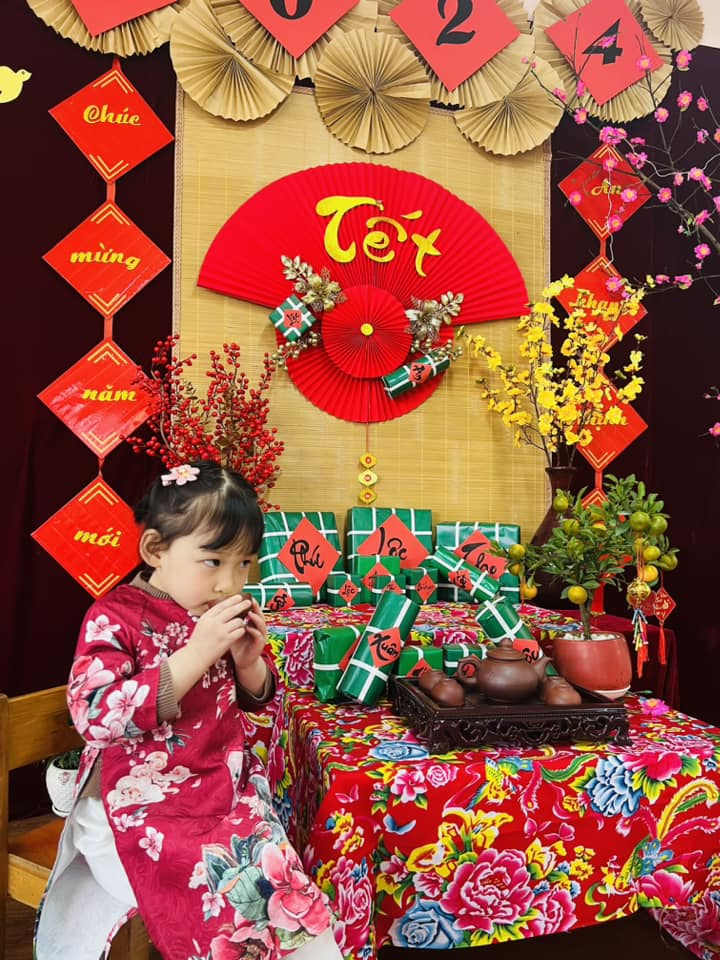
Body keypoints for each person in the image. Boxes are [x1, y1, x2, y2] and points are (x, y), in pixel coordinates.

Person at [36, 460, 341, 960]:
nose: (229, 583)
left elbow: (263, 706)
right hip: (141, 804)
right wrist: (196, 653)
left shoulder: (213, 613)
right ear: (156, 549)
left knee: (286, 888)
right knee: (230, 891)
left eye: (244, 564)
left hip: (223, 790)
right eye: (213, 561)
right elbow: (94, 715)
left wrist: (249, 664)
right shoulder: (115, 617)